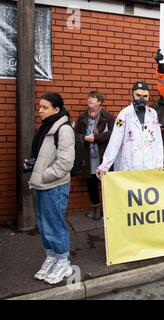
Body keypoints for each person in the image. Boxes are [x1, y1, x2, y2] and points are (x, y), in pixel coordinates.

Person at [28, 92, 75, 284]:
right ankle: (52, 257)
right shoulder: (47, 127)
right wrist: (34, 164)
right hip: (41, 184)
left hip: (54, 186)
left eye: (45, 107)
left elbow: (65, 163)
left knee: (54, 225)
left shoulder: (63, 129)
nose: (40, 111)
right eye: (40, 107)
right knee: (43, 224)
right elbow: (47, 156)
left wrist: (42, 175)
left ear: (57, 109)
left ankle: (63, 262)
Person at [96, 81, 164, 179]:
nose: (141, 99)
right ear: (131, 95)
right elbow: (115, 140)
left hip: (150, 169)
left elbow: (157, 141)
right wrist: (105, 166)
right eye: (138, 95)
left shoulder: (153, 114)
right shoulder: (124, 115)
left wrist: (159, 165)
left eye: (145, 96)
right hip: (129, 170)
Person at [74, 91, 115, 220]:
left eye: (93, 98)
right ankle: (96, 210)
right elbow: (75, 135)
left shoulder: (108, 117)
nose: (89, 100)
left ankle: (109, 211)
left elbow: (112, 134)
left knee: (106, 184)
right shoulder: (82, 118)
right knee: (91, 183)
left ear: (99, 102)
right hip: (88, 157)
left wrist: (95, 138)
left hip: (103, 156)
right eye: (89, 98)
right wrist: (85, 138)